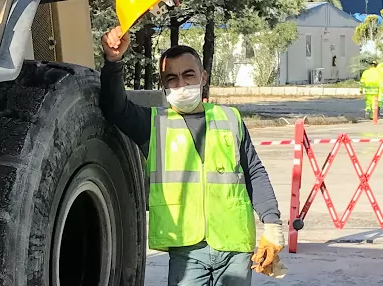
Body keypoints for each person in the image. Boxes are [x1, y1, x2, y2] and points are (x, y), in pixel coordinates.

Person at [99, 26, 285, 286]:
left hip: (234, 245)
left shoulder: (230, 119)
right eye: (171, 79)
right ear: (163, 84)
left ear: (203, 76)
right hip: (187, 248)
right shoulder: (152, 124)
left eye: (188, 75)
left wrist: (272, 223)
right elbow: (114, 106)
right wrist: (113, 61)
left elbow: (253, 171)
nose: (181, 84)